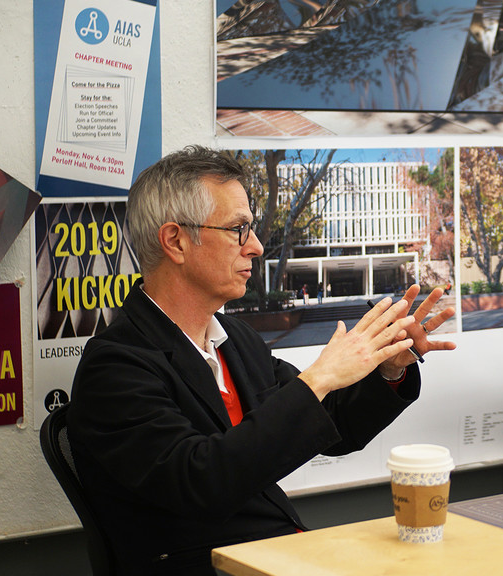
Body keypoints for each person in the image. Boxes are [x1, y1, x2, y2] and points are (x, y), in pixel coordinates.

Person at [66, 145, 456, 576]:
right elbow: (202, 483)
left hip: (280, 555)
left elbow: (333, 425)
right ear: (175, 241)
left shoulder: (236, 341)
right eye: (238, 229)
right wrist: (319, 377)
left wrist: (389, 367)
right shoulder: (116, 367)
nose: (254, 246)